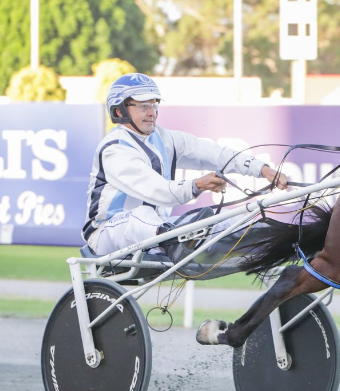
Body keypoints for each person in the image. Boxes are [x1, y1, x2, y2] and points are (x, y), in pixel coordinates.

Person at [82, 73, 291, 256]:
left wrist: (262, 169)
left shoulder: (165, 138)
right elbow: (159, 191)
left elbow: (215, 153)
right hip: (106, 234)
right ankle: (175, 241)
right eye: (143, 106)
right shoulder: (115, 148)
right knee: (143, 215)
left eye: (154, 105)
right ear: (119, 111)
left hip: (156, 232)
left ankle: (281, 263)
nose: (152, 112)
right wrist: (197, 185)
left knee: (231, 224)